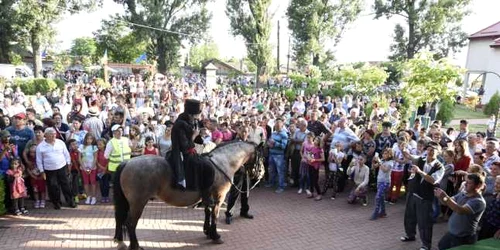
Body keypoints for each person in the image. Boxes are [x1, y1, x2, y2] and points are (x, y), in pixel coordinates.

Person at [170, 99, 214, 206]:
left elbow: (195, 136)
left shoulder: (191, 121)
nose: (199, 115)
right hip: (182, 154)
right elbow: (185, 146)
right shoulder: (180, 124)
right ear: (191, 113)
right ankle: (204, 196)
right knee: (207, 167)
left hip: (190, 151)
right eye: (198, 113)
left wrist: (202, 140)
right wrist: (194, 135)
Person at [400, 141, 444, 250]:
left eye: (433, 150)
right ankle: (410, 235)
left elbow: (433, 180)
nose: (430, 152)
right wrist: (403, 148)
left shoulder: (440, 167)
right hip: (413, 193)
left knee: (424, 222)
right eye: (428, 149)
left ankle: (426, 245)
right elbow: (408, 155)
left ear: (438, 152)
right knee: (409, 217)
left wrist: (420, 172)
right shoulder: (420, 159)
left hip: (425, 198)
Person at [435, 173, 486, 249]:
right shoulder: (463, 194)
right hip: (452, 233)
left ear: (478, 186)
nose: (465, 184)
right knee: (441, 246)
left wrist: (445, 197)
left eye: (469, 183)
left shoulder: (478, 201)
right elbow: (446, 203)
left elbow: (460, 210)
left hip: (464, 238)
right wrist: (440, 196)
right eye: (465, 181)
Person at [36, 127, 76, 210]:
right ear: (46, 135)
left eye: (54, 134)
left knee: (66, 185)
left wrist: (68, 164)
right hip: (49, 169)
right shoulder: (40, 146)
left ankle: (70, 201)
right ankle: (56, 203)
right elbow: (39, 160)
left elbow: (66, 153)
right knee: (53, 187)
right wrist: (42, 171)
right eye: (51, 134)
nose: (53, 136)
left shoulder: (60, 142)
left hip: (62, 166)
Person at [225, 125, 254, 224]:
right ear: (238, 132)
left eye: (246, 131)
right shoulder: (234, 143)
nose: (244, 133)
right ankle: (229, 214)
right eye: (243, 131)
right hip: (237, 172)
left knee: (246, 193)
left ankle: (244, 211)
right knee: (234, 193)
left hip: (247, 172)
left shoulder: (249, 143)